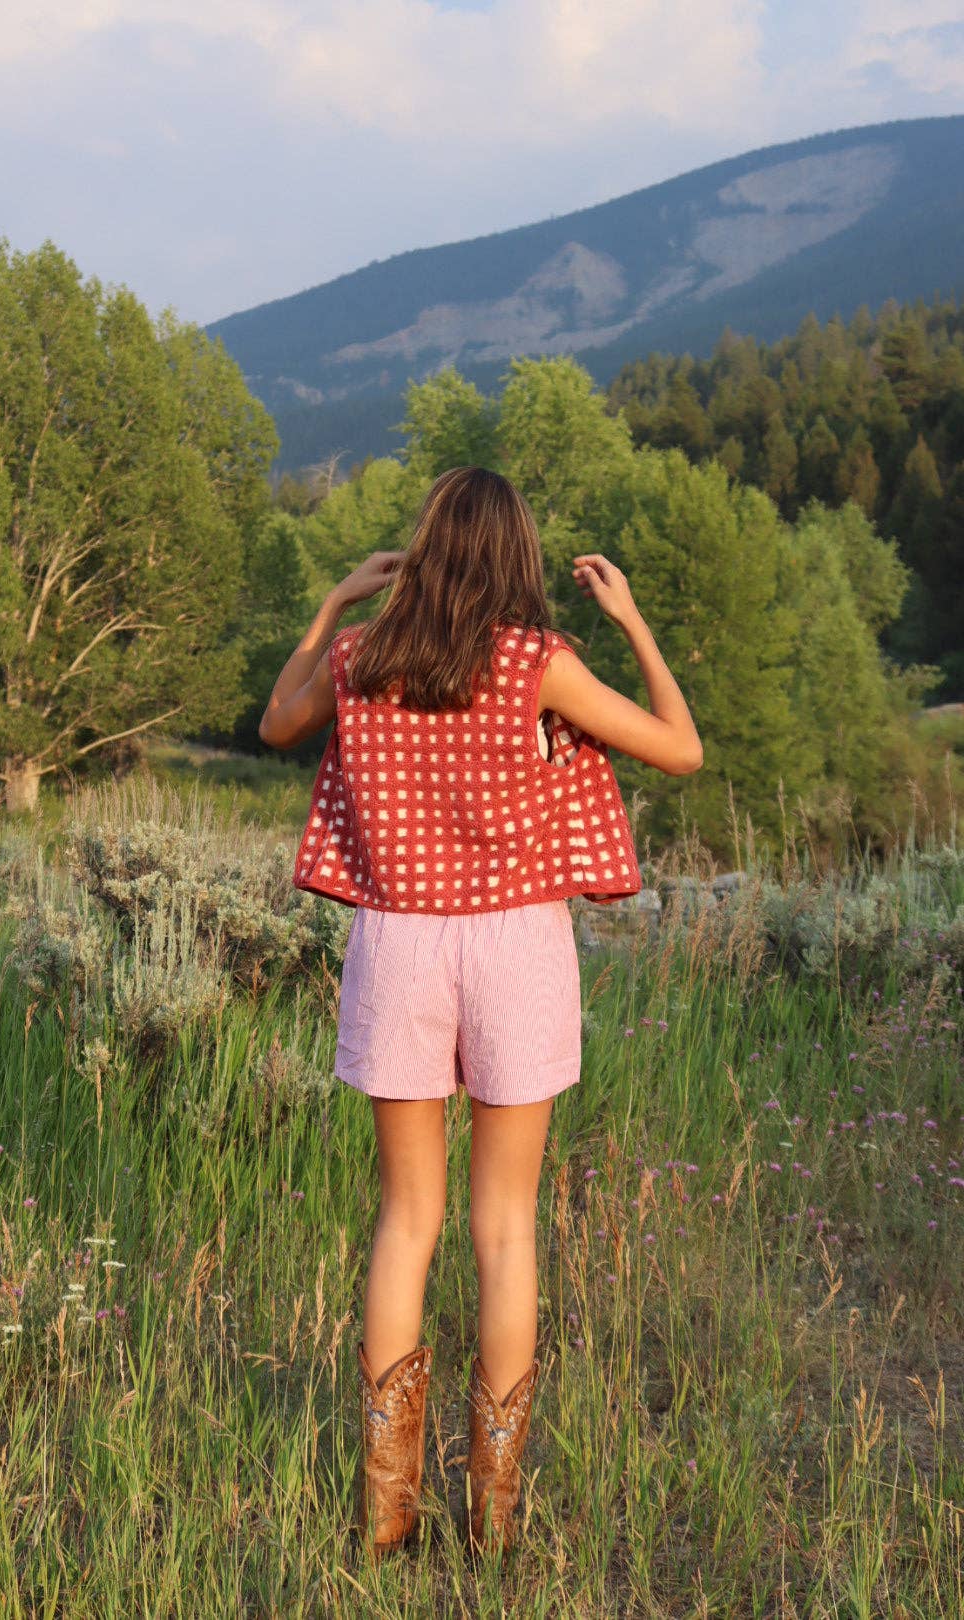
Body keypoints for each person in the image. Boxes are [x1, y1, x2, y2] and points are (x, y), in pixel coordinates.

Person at [258, 466, 702, 1561]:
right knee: (505, 1230)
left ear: (425, 547)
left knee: (405, 1226)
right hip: (515, 943)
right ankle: (494, 1523)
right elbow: (680, 749)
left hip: (399, 942)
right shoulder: (537, 663)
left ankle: (385, 1517)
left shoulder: (364, 660)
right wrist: (634, 623)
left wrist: (331, 607)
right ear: (515, 554)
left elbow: (276, 725)